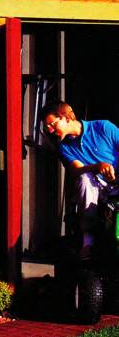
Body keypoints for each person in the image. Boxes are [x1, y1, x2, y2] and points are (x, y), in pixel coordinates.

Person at [41, 101, 119, 256]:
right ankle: (88, 239)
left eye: (51, 124)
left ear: (66, 117)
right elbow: (77, 169)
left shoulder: (103, 127)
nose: (49, 130)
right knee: (84, 177)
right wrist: (98, 166)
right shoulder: (64, 147)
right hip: (98, 189)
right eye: (46, 127)